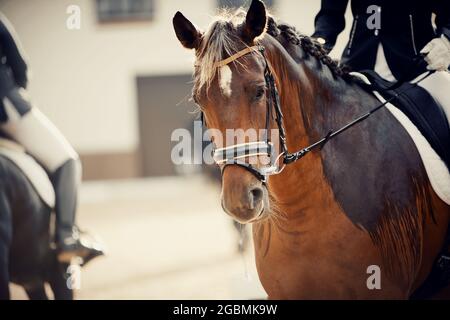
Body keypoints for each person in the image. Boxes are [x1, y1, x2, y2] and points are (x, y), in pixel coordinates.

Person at [0, 12, 103, 264]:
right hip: (6, 108)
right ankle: (66, 236)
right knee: (68, 161)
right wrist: (16, 89)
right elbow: (20, 66)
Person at [312, 0, 450, 125]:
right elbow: (330, 14)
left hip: (419, 66)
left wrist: (446, 40)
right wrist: (318, 42)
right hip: (357, 65)